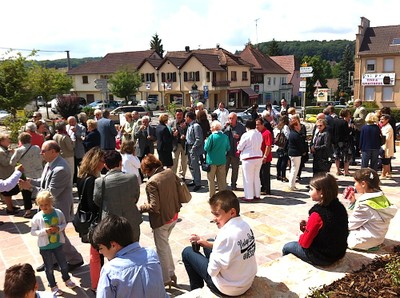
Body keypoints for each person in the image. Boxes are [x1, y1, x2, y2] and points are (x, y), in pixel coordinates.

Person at [19, 140, 84, 272]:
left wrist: (30, 187)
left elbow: (50, 193)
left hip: (58, 209)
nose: (41, 153)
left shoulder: (60, 169)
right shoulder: (50, 164)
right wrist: (32, 181)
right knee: (49, 235)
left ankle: (75, 259)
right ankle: (52, 261)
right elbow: (44, 183)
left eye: (44, 151)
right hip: (49, 209)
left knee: (59, 236)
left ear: (53, 152)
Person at [182, 190, 257, 296]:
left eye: (217, 214)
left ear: (232, 212)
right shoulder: (245, 226)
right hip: (246, 280)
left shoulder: (225, 236)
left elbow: (212, 271)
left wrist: (214, 253)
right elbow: (234, 249)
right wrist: (208, 244)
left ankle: (196, 290)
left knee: (187, 252)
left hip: (230, 288)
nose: (214, 219)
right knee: (211, 242)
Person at [91, 215, 167, 297]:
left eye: (101, 248)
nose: (100, 252)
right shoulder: (151, 254)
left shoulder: (110, 270)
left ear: (113, 245)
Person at [282, 173, 348, 266]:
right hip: (338, 253)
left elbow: (304, 243)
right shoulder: (339, 207)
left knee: (287, 247)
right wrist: (309, 226)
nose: (309, 192)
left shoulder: (317, 214)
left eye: (311, 189)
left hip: (322, 256)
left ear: (322, 192)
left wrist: (304, 233)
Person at [139, 154, 182, 288]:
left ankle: (165, 279)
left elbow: (154, 206)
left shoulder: (152, 182)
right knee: (165, 245)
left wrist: (140, 208)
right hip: (173, 215)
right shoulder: (169, 172)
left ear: (147, 169)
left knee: (161, 249)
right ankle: (171, 272)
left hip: (162, 220)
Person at [30, 191, 77, 296]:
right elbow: (33, 232)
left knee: (63, 264)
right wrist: (44, 231)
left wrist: (59, 228)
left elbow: (63, 224)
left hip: (58, 244)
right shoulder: (37, 217)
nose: (44, 207)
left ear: (51, 202)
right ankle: (53, 285)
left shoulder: (58, 213)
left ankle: (66, 278)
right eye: (41, 205)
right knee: (49, 267)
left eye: (46, 204)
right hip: (45, 247)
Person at [94, 150, 142, 242]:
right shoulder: (132, 178)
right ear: (121, 163)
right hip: (131, 220)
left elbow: (97, 200)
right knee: (134, 250)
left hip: (111, 223)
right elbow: (136, 196)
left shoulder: (100, 182)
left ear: (106, 165)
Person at [347, 168, 397, 251]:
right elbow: (371, 214)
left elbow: (351, 224)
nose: (354, 185)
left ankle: (367, 247)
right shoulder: (381, 197)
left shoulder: (364, 203)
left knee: (338, 235)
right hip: (378, 236)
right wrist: (354, 202)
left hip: (365, 239)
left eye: (355, 182)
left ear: (363, 184)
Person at [77, 147, 105, 292]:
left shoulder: (82, 176)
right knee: (97, 254)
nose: (104, 163)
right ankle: (98, 285)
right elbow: (92, 204)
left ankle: (97, 283)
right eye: (102, 160)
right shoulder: (93, 180)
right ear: (95, 161)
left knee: (95, 253)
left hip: (85, 220)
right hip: (93, 222)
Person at [10, 132, 43, 218]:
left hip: (26, 173)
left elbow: (11, 162)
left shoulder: (18, 150)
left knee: (26, 192)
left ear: (20, 140)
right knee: (40, 190)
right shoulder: (36, 148)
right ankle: (42, 207)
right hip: (38, 172)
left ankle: (28, 211)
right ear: (30, 139)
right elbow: (42, 158)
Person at [237, 120, 263, 202]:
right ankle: (257, 194)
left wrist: (238, 145)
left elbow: (240, 147)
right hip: (258, 157)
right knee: (256, 177)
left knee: (247, 178)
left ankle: (249, 196)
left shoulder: (246, 135)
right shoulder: (259, 134)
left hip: (248, 158)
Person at [204, 121, 230, 198]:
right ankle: (223, 197)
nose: (211, 128)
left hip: (212, 161)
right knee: (222, 180)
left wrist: (206, 142)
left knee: (211, 180)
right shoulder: (225, 137)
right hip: (222, 160)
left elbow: (206, 148)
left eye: (211, 127)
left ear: (214, 128)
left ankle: (212, 196)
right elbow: (228, 148)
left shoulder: (211, 137)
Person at [223, 112, 246, 190]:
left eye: (232, 118)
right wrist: (224, 127)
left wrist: (239, 137)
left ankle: (233, 184)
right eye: (229, 118)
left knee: (235, 169)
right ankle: (222, 184)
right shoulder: (226, 127)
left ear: (236, 119)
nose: (230, 120)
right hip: (226, 152)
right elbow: (221, 135)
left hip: (235, 152)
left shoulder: (241, 127)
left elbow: (245, 138)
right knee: (224, 169)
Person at [0, 133, 21, 215]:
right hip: (5, 174)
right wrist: (11, 153)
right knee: (7, 193)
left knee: (10, 191)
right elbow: (5, 163)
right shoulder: (1, 152)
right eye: (7, 139)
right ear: (1, 141)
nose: (9, 141)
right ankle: (9, 208)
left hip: (8, 173)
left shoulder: (5, 149)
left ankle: (11, 206)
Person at [185, 111, 204, 191]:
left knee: (195, 166)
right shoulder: (190, 126)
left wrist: (193, 147)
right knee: (190, 165)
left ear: (189, 117)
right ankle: (194, 179)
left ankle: (198, 183)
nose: (185, 119)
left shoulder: (196, 126)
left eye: (186, 117)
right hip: (188, 147)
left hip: (194, 149)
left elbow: (199, 139)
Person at [53, 121, 75, 185]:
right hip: (68, 156)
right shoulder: (65, 137)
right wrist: (73, 141)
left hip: (59, 156)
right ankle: (69, 187)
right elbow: (70, 148)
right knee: (70, 172)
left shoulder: (55, 136)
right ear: (64, 127)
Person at [66, 116, 86, 184]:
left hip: (79, 151)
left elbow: (83, 138)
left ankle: (82, 180)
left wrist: (76, 132)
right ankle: (74, 181)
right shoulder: (66, 128)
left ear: (75, 121)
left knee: (81, 167)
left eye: (72, 122)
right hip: (70, 151)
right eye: (69, 122)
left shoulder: (82, 128)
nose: (71, 123)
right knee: (72, 168)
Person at [333, 108, 353, 175]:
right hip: (344, 141)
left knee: (337, 156)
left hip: (336, 141)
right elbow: (347, 132)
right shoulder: (344, 122)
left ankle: (338, 170)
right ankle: (346, 171)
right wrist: (350, 128)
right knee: (346, 156)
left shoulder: (335, 121)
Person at [287, 116, 305, 191]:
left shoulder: (292, 133)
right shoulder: (296, 135)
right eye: (298, 124)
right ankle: (291, 185)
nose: (300, 126)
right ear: (295, 126)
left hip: (292, 153)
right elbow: (300, 145)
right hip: (296, 154)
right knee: (295, 170)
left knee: (293, 169)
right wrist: (303, 151)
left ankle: (292, 184)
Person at [256, 118, 272, 195]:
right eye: (256, 124)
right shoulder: (258, 133)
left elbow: (268, 145)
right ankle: (262, 187)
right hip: (259, 157)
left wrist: (265, 156)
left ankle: (266, 189)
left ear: (262, 124)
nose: (257, 126)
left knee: (265, 174)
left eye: (258, 124)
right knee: (260, 174)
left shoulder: (267, 133)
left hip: (265, 158)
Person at [171, 109, 188, 180]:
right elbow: (168, 133)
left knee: (184, 161)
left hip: (184, 145)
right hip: (176, 145)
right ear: (175, 115)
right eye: (178, 115)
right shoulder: (172, 123)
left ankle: (182, 175)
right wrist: (173, 134)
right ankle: (172, 175)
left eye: (180, 115)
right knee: (174, 161)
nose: (179, 116)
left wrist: (185, 135)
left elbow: (190, 133)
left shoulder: (186, 123)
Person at [351, 99, 367, 164]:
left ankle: (358, 152)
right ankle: (357, 152)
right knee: (356, 141)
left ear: (359, 103)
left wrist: (352, 119)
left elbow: (362, 119)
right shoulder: (357, 109)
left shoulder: (362, 109)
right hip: (356, 127)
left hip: (360, 128)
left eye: (355, 102)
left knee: (358, 141)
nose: (354, 103)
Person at [275, 115, 290, 182]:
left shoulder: (278, 126)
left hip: (279, 146)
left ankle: (278, 174)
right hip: (284, 146)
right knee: (284, 160)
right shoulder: (285, 127)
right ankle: (283, 176)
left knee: (279, 160)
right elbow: (288, 136)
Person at [380, 114, 395, 179]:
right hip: (384, 146)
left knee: (385, 162)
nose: (381, 120)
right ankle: (388, 173)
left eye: (382, 119)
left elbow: (387, 138)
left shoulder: (388, 128)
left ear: (387, 120)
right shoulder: (384, 126)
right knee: (387, 161)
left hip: (386, 147)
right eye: (380, 119)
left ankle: (383, 174)